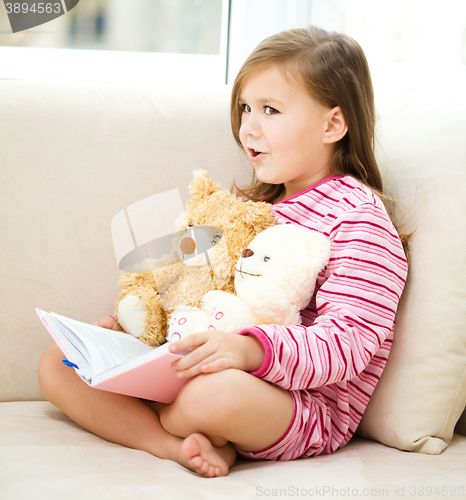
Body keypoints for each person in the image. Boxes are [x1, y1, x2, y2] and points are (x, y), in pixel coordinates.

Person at [38, 25, 408, 478]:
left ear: (333, 124)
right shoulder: (248, 210)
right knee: (58, 363)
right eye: (245, 108)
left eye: (270, 110)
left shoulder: (359, 219)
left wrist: (250, 352)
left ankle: (179, 421)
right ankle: (172, 445)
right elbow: (193, 290)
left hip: (296, 404)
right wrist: (137, 334)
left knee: (212, 396)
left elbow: (347, 344)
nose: (247, 127)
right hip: (202, 360)